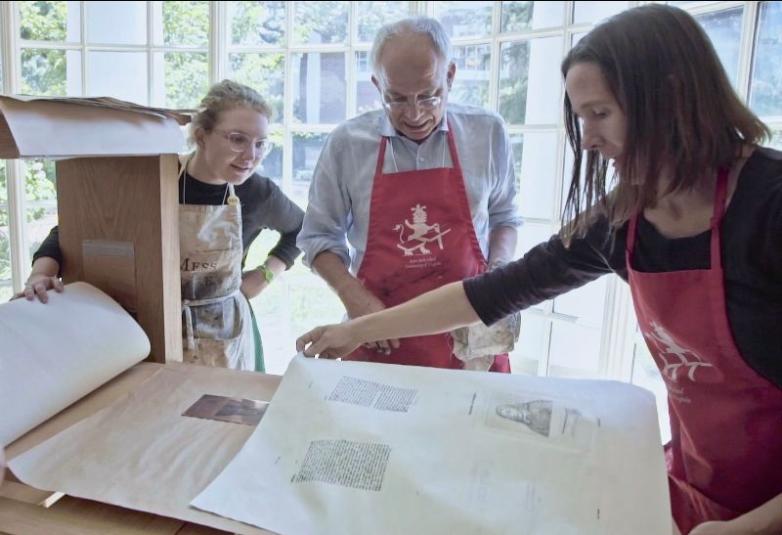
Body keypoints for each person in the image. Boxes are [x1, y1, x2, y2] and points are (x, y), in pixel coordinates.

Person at [296, 5, 782, 534]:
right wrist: (359, 328)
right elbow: (498, 290)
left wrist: (749, 528)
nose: (588, 140)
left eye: (601, 113)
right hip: (702, 480)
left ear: (671, 95)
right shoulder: (625, 217)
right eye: (581, 118)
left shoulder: (770, 207)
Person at [18, 80, 304, 373]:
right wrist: (42, 274)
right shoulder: (152, 179)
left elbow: (301, 229)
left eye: (260, 143)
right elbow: (71, 230)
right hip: (148, 328)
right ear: (201, 135)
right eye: (237, 139)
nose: (250, 156)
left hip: (224, 335)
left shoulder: (258, 193)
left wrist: (265, 274)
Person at [296, 16, 521, 372]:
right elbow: (317, 238)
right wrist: (354, 298)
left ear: (450, 76)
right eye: (397, 99)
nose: (415, 114)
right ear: (377, 85)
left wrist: (498, 275)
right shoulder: (347, 144)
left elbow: (504, 217)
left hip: (470, 333)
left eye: (429, 96)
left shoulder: (487, 133)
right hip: (379, 330)